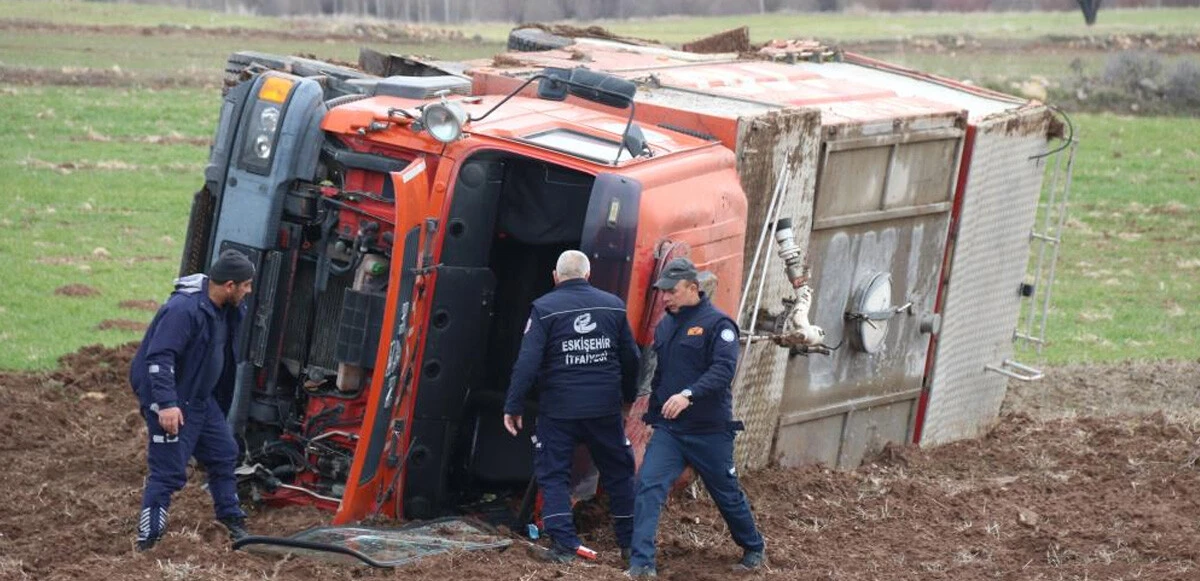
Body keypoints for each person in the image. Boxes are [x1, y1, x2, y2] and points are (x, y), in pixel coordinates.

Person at [626, 257, 765, 578]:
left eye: (671, 291)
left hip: (710, 431)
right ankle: (642, 563)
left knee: (725, 491)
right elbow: (661, 374)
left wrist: (687, 395)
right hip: (671, 431)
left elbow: (722, 371)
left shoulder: (719, 325)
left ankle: (753, 546)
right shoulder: (665, 325)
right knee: (648, 485)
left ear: (693, 287)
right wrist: (652, 417)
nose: (665, 298)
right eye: (662, 292)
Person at [503, 250, 640, 563]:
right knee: (619, 473)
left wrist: (514, 404)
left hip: (559, 410)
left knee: (553, 475)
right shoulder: (613, 306)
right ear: (588, 275)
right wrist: (628, 397)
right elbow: (631, 358)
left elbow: (527, 362)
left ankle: (564, 545)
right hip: (604, 409)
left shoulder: (544, 308)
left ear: (555, 276)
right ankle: (631, 546)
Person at [129, 249, 255, 551]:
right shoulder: (183, 310)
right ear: (229, 285)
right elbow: (159, 357)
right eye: (246, 285)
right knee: (168, 472)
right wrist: (166, 404)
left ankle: (231, 521)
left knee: (225, 452)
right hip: (174, 400)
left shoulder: (225, 309)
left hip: (200, 398)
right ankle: (149, 539)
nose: (249, 291)